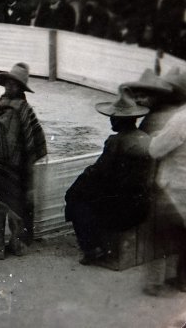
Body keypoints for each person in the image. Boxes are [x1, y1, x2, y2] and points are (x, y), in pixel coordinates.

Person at [64, 87, 153, 265]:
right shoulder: (145, 138)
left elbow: (99, 171)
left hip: (123, 208)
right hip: (143, 202)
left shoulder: (116, 141)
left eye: (114, 117)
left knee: (75, 199)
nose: (111, 119)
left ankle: (91, 248)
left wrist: (79, 183)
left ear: (121, 119)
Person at [144, 68, 186, 296]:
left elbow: (155, 150)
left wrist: (154, 136)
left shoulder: (180, 118)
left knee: (161, 236)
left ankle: (154, 282)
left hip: (175, 185)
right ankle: (183, 280)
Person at [0, 62, 47, 260]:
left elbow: (19, 137)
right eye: (8, 82)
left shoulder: (19, 110)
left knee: (1, 203)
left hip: (5, 162)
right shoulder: (10, 106)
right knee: (12, 202)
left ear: (20, 88)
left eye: (14, 84)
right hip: (12, 163)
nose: (9, 86)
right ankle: (15, 245)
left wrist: (8, 157)